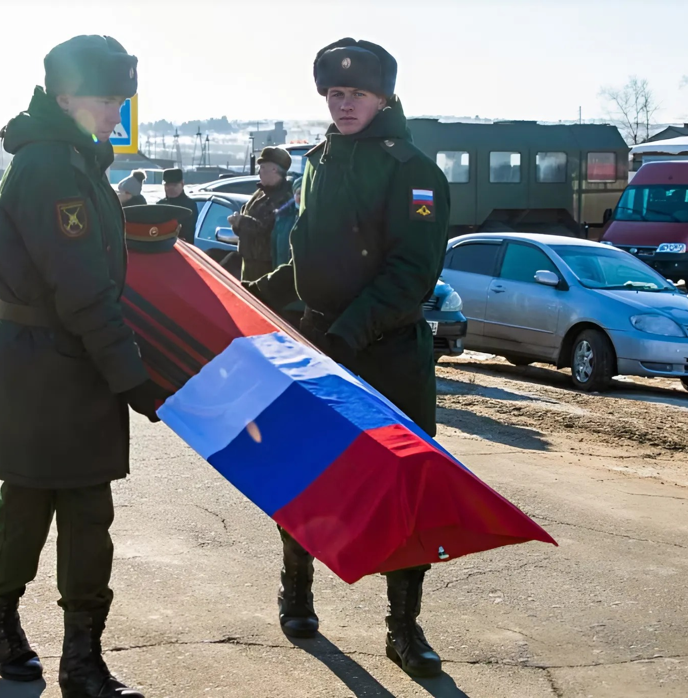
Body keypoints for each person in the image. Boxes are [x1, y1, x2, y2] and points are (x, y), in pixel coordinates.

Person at [246, 38, 451, 679]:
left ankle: (403, 627)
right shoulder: (320, 161)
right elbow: (309, 257)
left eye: (357, 93)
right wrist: (254, 294)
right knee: (303, 474)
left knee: (401, 491)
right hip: (320, 346)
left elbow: (410, 273)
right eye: (335, 93)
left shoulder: (414, 172)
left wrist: (346, 336)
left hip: (387, 355)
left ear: (384, 97)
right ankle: (297, 589)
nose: (344, 104)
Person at [0, 35, 166, 698]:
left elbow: (97, 275)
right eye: (106, 100)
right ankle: (1, 617)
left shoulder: (76, 161)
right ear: (64, 97)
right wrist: (132, 376)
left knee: (87, 514)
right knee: (27, 504)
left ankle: (82, 661)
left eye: (121, 101)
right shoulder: (52, 167)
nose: (116, 113)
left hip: (74, 359)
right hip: (38, 367)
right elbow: (82, 287)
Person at [229, 146, 293, 281]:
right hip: (249, 261)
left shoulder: (285, 197)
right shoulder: (260, 193)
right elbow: (247, 218)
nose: (259, 171)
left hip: (267, 266)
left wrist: (241, 221)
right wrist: (236, 223)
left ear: (274, 169)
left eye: (263, 167)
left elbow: (269, 227)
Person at [156, 168, 198, 242]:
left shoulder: (189, 205)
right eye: (167, 185)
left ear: (182, 184)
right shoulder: (160, 205)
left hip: (183, 246)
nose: (170, 188)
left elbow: (189, 231)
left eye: (174, 185)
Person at [272, 176, 302, 267]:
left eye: (304, 193)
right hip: (282, 268)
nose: (301, 197)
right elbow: (274, 247)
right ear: (294, 195)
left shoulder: (312, 217)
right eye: (299, 193)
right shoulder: (283, 216)